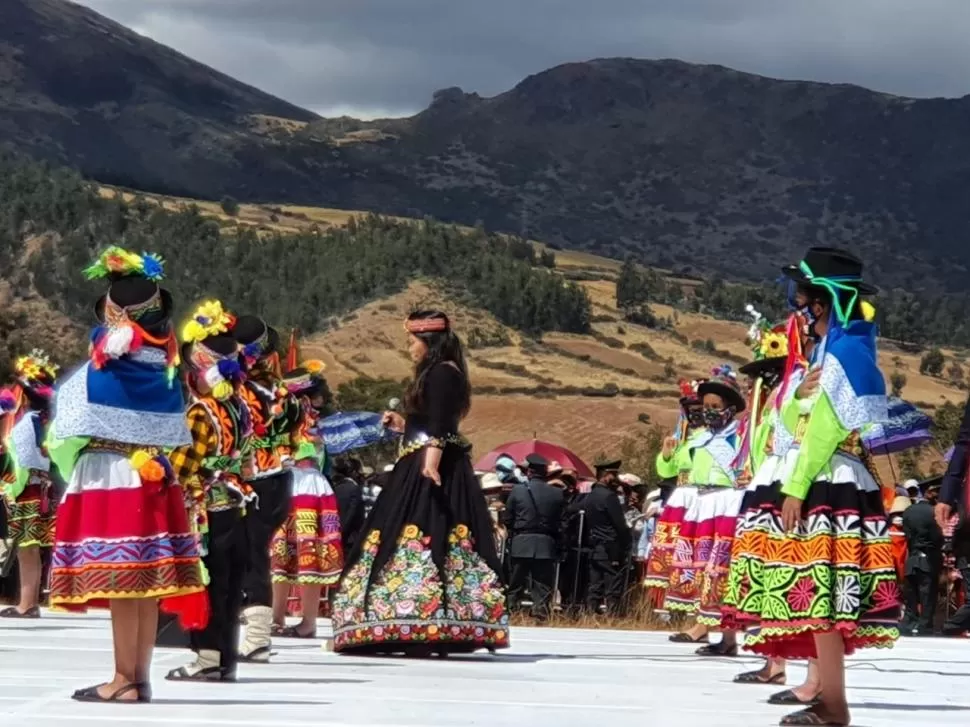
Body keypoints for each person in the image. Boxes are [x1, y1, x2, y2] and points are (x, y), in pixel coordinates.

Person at [720, 247, 898, 727]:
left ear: (820, 304)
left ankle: (833, 704)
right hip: (831, 477)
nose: (799, 310)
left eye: (803, 300)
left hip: (824, 481)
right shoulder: (849, 349)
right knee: (821, 602)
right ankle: (829, 700)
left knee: (820, 598)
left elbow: (822, 431)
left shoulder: (841, 354)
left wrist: (795, 487)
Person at [47, 247, 206, 703]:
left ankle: (121, 678)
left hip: (110, 474)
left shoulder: (102, 371)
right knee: (143, 584)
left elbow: (69, 424)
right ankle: (138, 675)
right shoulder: (166, 370)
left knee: (121, 580)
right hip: (155, 473)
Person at [331, 310, 509, 655]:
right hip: (423, 459)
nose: (409, 348)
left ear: (429, 342)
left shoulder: (443, 373)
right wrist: (403, 424)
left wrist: (430, 461)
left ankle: (424, 620)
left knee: (428, 535)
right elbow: (429, 421)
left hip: (431, 466)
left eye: (412, 341)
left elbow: (441, 424)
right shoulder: (439, 373)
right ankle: (410, 620)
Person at [165, 300, 251, 682]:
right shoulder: (238, 407)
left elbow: (183, 466)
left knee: (208, 582)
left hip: (207, 509)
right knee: (231, 586)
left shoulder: (201, 413)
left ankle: (206, 657)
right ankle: (224, 659)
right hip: (237, 503)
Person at [658, 368, 744, 651]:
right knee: (702, 571)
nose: (708, 412)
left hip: (728, 505)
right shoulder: (697, 439)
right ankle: (709, 628)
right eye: (706, 406)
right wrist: (668, 455)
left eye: (715, 407)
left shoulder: (740, 438)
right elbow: (672, 469)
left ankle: (726, 635)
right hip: (701, 507)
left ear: (730, 409)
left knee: (722, 570)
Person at [234, 314, 298, 663]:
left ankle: (256, 637)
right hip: (279, 478)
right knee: (253, 553)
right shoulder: (281, 390)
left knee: (251, 554)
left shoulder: (244, 391)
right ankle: (253, 634)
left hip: (254, 479)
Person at [270, 363, 344, 638]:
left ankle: (308, 621)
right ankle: (277, 615)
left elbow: (314, 454)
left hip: (306, 485)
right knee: (281, 554)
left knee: (307, 554)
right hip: (290, 484)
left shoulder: (315, 427)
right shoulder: (285, 420)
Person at [0, 351, 59, 619]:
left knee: (27, 549)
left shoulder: (27, 424)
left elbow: (23, 463)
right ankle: (29, 601)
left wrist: (9, 489)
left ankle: (28, 603)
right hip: (43, 489)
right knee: (32, 550)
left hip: (28, 491)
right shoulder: (46, 421)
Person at [643, 379, 707, 602]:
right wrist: (667, 454)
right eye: (692, 411)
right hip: (682, 496)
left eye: (700, 410)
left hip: (702, 496)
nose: (695, 415)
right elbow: (666, 472)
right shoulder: (683, 441)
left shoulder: (715, 438)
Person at [502, 453, 564, 620]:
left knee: (516, 581)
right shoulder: (557, 494)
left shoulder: (517, 491)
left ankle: (510, 611)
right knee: (542, 583)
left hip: (521, 542)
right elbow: (560, 520)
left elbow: (507, 518)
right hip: (546, 543)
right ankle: (540, 612)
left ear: (529, 472)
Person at [578, 459, 631, 615]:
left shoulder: (591, 495)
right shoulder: (609, 496)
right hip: (611, 547)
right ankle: (613, 615)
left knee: (595, 583)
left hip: (595, 545)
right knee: (613, 582)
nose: (616, 479)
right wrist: (626, 542)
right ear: (606, 476)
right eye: (614, 475)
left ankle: (590, 613)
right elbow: (620, 525)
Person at [899, 480, 944, 636]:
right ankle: (925, 626)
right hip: (928, 559)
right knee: (928, 595)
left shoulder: (908, 511)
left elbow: (907, 535)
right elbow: (937, 537)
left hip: (912, 558)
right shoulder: (933, 512)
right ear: (928, 493)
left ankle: (908, 624)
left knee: (911, 594)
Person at [331, 456, 365, 556]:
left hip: (337, 533)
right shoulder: (353, 489)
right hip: (350, 537)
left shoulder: (337, 487)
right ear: (354, 472)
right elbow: (351, 514)